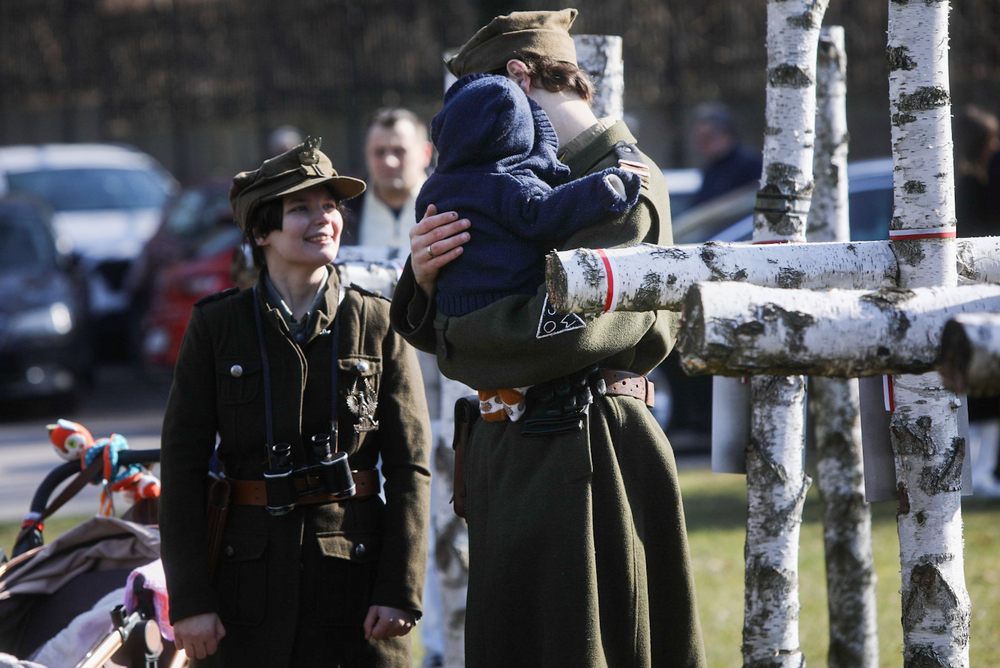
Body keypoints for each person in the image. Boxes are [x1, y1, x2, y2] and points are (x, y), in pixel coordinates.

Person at [389, 9, 706, 668]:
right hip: (515, 457)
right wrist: (422, 278)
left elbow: (568, 330)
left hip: (593, 455)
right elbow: (446, 312)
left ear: (516, 77)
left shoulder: (624, 185)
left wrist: (451, 331)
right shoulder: (511, 182)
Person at [159, 137, 432, 667]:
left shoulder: (376, 321)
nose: (324, 219)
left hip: (356, 589)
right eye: (301, 208)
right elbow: (183, 464)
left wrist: (400, 588)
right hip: (245, 595)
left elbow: (410, 466)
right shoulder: (217, 326)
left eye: (331, 206)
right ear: (262, 230)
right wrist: (190, 601)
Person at [422, 72, 641, 317]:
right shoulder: (509, 185)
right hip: (506, 302)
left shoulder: (432, 187)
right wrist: (603, 189)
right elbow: (544, 212)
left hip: (449, 307)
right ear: (517, 135)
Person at [343, 108, 434, 252]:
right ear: (367, 154)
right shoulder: (343, 209)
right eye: (379, 152)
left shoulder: (448, 203)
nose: (389, 161)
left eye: (399, 151)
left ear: (426, 153)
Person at [688, 102, 762, 208]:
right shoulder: (711, 169)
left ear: (726, 135)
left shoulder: (749, 165)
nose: (703, 144)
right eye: (700, 139)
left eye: (708, 138)